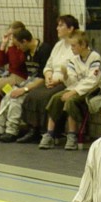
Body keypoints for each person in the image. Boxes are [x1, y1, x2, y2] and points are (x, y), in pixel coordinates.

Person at [16, 14, 78, 144]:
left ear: (71, 28)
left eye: (61, 25)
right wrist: (48, 75)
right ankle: (33, 130)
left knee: (45, 97)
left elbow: (73, 70)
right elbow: (48, 65)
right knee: (32, 95)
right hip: (51, 79)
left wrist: (58, 80)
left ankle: (49, 131)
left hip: (66, 82)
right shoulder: (58, 45)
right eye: (57, 25)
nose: (57, 28)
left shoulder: (75, 46)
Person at [38, 30, 101, 151]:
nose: (71, 48)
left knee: (71, 101)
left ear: (83, 45)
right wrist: (66, 76)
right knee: (56, 98)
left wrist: (73, 92)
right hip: (75, 88)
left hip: (91, 91)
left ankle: (72, 135)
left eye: (73, 46)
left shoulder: (95, 58)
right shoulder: (74, 60)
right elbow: (72, 81)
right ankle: (50, 134)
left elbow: (92, 81)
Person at [0, 27, 52, 143]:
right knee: (8, 97)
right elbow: (11, 63)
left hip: (39, 82)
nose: (18, 48)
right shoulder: (25, 50)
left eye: (18, 45)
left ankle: (12, 130)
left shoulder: (43, 50)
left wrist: (24, 89)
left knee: (16, 99)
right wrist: (8, 45)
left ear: (25, 42)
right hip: (27, 80)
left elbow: (42, 77)